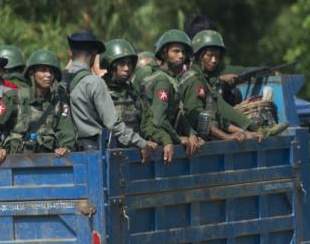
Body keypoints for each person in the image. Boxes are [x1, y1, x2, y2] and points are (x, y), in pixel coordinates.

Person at [64, 31, 153, 162]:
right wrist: (141, 143)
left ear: (70, 53)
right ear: (94, 55)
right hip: (94, 153)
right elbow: (112, 124)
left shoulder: (59, 80)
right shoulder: (94, 82)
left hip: (68, 152)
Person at [179, 29, 277, 143]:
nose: (214, 60)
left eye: (217, 56)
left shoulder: (202, 78)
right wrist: (227, 136)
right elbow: (200, 118)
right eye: (210, 55)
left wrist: (244, 131)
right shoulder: (194, 80)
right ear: (199, 56)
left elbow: (219, 114)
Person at [0, 50, 76, 166]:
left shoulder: (59, 102)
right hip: (15, 162)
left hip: (48, 162)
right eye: (43, 70)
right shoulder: (13, 97)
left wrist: (65, 147)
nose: (48, 75)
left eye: (51, 71)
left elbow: (66, 130)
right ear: (32, 73)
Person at [140, 29, 205, 163]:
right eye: (175, 51)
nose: (181, 56)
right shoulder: (162, 81)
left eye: (183, 52)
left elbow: (177, 113)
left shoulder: (170, 79)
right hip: (154, 134)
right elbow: (158, 120)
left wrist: (191, 133)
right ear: (164, 53)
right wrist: (179, 138)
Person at [100, 39, 156, 147]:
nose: (127, 68)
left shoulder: (132, 90)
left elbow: (145, 120)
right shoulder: (100, 88)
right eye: (122, 64)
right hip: (111, 151)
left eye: (129, 64)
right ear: (111, 65)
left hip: (135, 149)